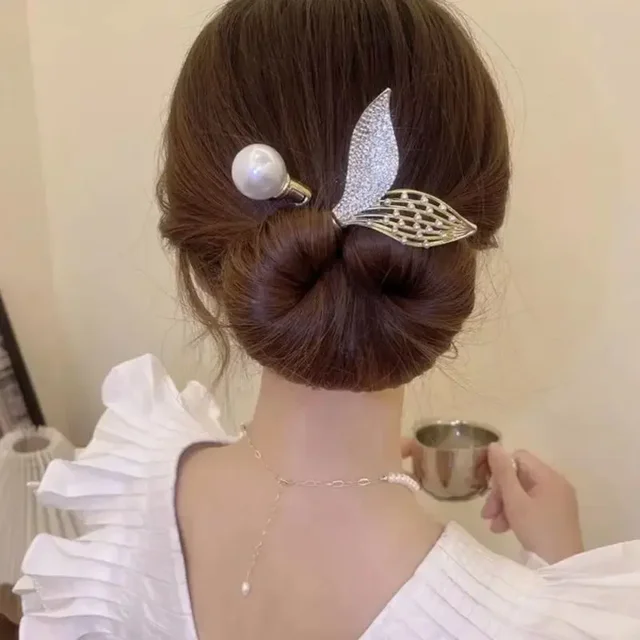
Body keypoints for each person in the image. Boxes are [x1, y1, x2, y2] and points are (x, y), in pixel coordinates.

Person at [15, 0, 640, 638]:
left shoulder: (128, 496)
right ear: (457, 257)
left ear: (207, 263)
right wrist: (567, 571)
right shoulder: (533, 624)